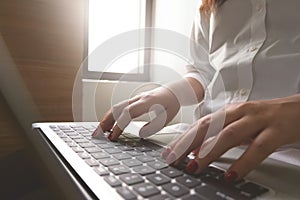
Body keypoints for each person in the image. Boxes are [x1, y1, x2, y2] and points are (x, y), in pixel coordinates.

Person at [93, 0, 300, 182]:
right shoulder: (210, 6)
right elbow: (203, 72)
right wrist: (172, 92)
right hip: (203, 144)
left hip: (289, 157)